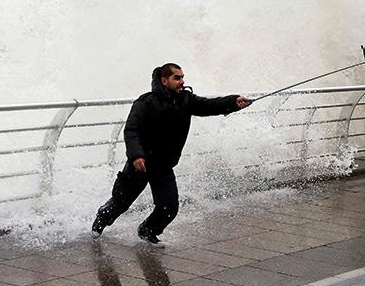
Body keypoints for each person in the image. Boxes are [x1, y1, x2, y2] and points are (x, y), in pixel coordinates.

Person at [91, 63, 251, 247]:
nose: (182, 81)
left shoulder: (186, 100)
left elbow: (209, 105)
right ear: (164, 80)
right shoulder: (145, 102)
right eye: (177, 78)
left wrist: (233, 102)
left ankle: (147, 231)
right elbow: (131, 131)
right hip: (140, 164)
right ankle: (102, 218)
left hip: (163, 165)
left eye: (183, 77)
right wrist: (136, 155)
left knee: (169, 208)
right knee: (121, 202)